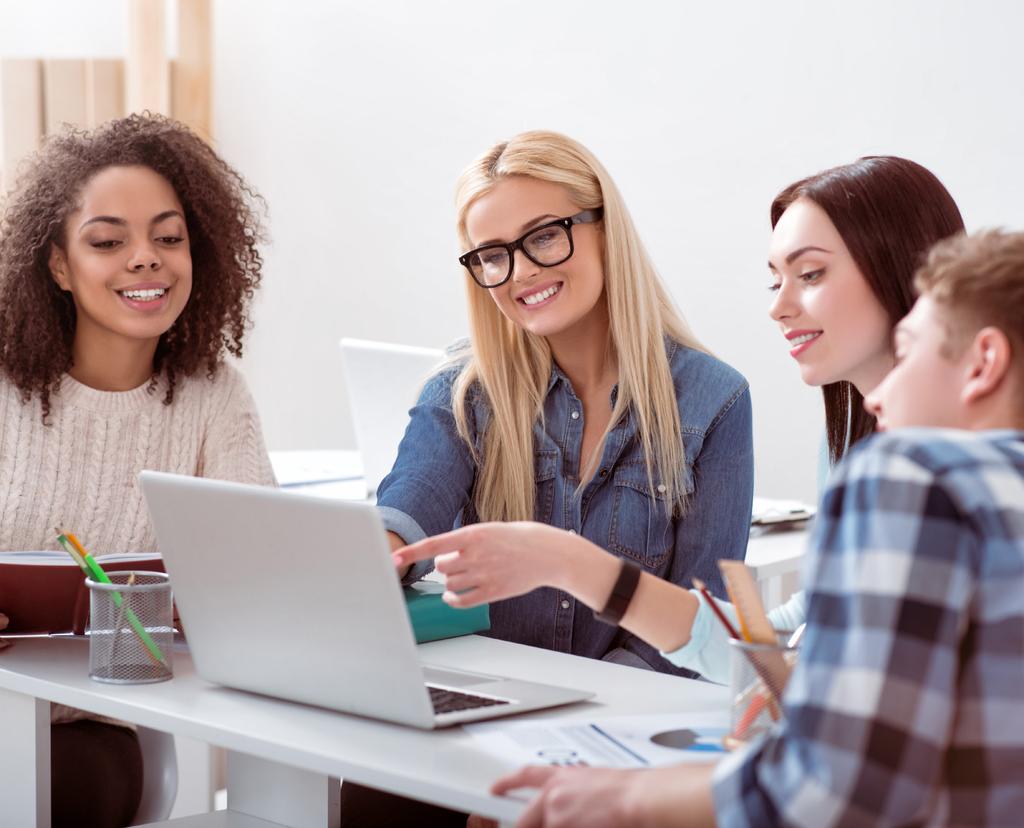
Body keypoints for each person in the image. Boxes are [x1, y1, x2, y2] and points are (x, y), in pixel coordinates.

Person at [489, 228, 1024, 827]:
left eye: (911, 350)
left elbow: (840, 790)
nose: (881, 397)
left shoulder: (912, 473)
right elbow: (794, 657)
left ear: (983, 362)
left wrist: (629, 800)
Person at [395, 156, 965, 685]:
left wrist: (571, 566)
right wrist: (572, 565)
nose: (777, 305)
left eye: (810, 274)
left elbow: (850, 689)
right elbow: (782, 648)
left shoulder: (958, 469)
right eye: (775, 279)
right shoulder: (852, 443)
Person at [0, 114, 275, 828]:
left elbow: (265, 575)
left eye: (168, 236)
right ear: (59, 265)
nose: (146, 258)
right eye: (107, 241)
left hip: (94, 725)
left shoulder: (215, 396)